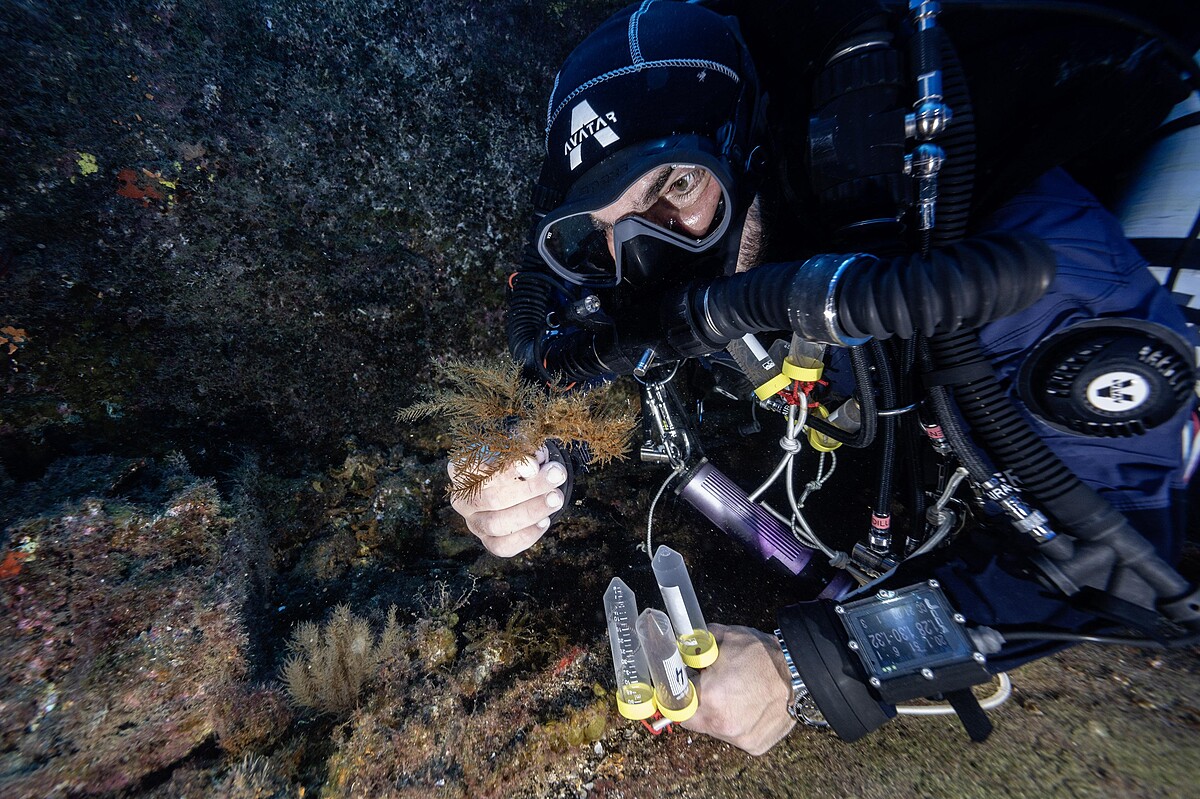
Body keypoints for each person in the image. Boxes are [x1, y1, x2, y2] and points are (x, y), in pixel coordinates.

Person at [451, 0, 1200, 753]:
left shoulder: (991, 267)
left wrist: (805, 669)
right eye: (606, 228)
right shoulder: (707, 252)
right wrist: (533, 456)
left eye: (675, 187)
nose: (646, 261)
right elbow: (594, 358)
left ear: (748, 153)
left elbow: (1128, 563)